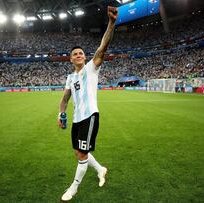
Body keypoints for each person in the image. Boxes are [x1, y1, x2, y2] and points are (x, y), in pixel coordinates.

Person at [57, 6, 118, 201]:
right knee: (78, 151)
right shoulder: (69, 77)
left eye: (81, 53)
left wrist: (111, 23)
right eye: (75, 54)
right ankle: (101, 169)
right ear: (70, 58)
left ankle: (74, 188)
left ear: (84, 56)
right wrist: (61, 114)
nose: (78, 55)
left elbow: (102, 47)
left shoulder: (92, 68)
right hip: (76, 119)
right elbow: (65, 99)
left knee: (82, 154)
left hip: (90, 116)